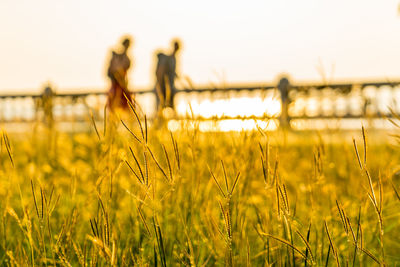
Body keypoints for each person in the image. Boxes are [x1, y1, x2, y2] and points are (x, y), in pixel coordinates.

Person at [107, 37, 133, 111]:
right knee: (116, 104)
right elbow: (113, 71)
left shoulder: (123, 57)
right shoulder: (118, 57)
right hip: (117, 84)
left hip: (123, 84)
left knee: (127, 105)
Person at [155, 40, 181, 112]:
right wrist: (159, 85)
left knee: (170, 108)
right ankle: (162, 121)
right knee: (161, 107)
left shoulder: (173, 58)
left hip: (170, 87)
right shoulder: (167, 58)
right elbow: (161, 71)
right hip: (164, 87)